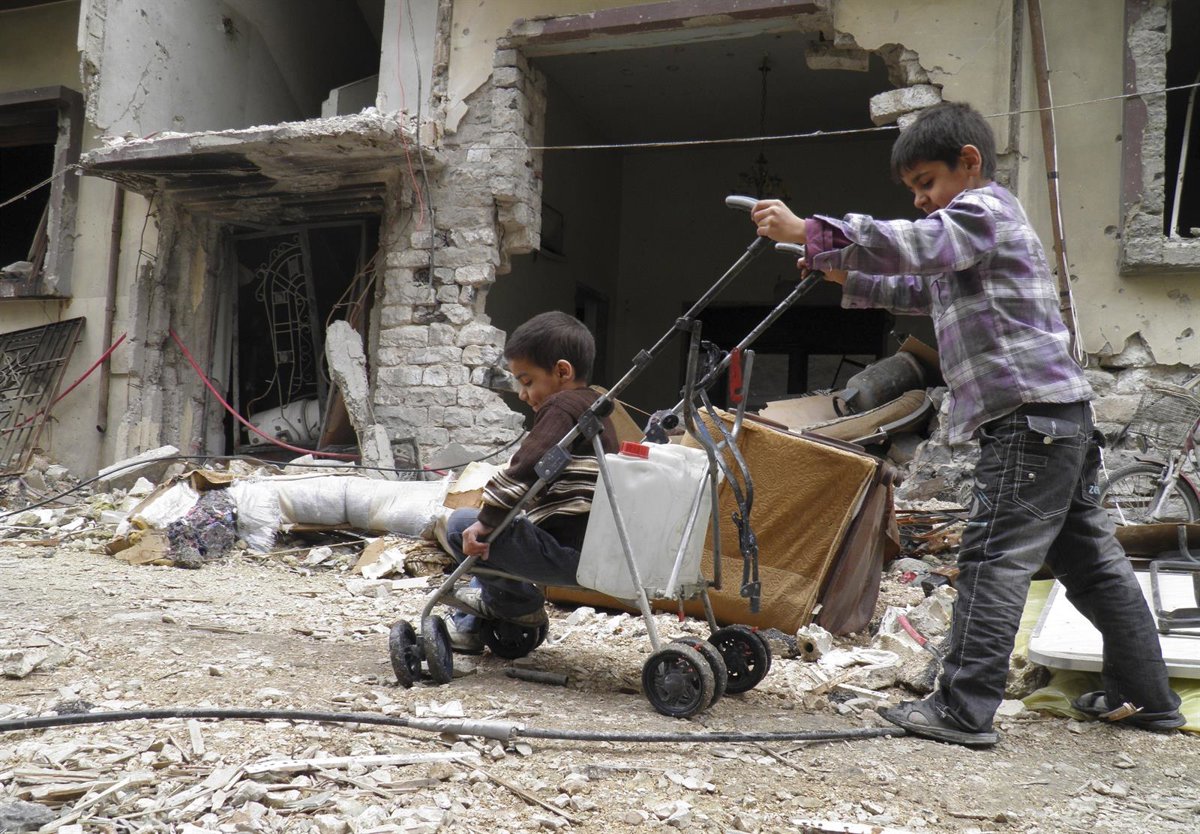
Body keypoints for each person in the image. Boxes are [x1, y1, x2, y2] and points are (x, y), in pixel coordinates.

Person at [749, 101, 1184, 746]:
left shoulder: (983, 212)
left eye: (927, 182)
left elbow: (920, 245)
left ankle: (962, 708)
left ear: (970, 163)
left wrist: (812, 230)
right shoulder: (971, 242)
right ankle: (1147, 697)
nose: (921, 200)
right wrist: (839, 268)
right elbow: (919, 288)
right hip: (1059, 420)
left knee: (991, 559)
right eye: (914, 189)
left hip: (1027, 422)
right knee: (1092, 564)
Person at [442, 310, 618, 654]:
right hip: (593, 553)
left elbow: (526, 466)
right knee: (498, 535)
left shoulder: (561, 407)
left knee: (462, 525)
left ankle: (519, 606)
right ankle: (472, 625)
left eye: (527, 381)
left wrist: (486, 519)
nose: (522, 394)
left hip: (567, 555)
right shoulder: (596, 411)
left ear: (562, 372)